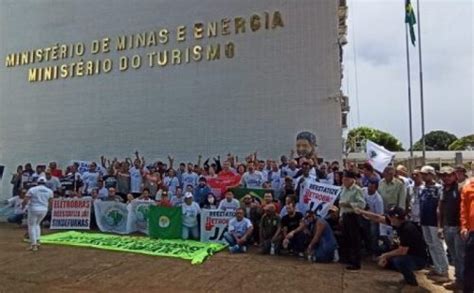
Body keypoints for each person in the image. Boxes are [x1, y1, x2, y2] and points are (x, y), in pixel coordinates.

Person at [355, 207, 427, 287]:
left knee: (399, 261)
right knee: (383, 258)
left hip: (417, 258)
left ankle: (411, 281)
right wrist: (361, 211)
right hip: (405, 253)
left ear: (395, 218)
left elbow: (402, 251)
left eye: (390, 217)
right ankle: (400, 269)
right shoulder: (397, 223)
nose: (388, 218)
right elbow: (378, 217)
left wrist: (385, 255)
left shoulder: (408, 229)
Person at [419, 165, 450, 283]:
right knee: (430, 244)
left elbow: (440, 207)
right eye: (422, 174)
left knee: (438, 245)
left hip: (434, 221)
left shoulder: (439, 188)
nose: (423, 176)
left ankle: (444, 270)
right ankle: (438, 267)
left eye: (425, 174)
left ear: (432, 175)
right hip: (424, 220)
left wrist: (440, 224)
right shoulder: (421, 187)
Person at [437, 166, 465, 290]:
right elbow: (440, 209)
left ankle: (463, 281)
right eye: (443, 176)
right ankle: (459, 279)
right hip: (447, 227)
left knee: (461, 256)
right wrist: (440, 227)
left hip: (459, 228)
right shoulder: (443, 189)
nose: (446, 178)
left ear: (454, 175)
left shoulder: (460, 188)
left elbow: (465, 209)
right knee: (454, 255)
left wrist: (463, 225)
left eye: (449, 175)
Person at [339, 170, 366, 270]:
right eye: (343, 179)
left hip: (353, 216)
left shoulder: (357, 190)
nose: (344, 181)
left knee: (355, 240)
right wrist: (341, 216)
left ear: (351, 180)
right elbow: (341, 203)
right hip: (345, 215)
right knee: (347, 239)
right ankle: (348, 259)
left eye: (346, 179)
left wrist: (349, 204)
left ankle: (356, 262)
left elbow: (362, 204)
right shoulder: (344, 189)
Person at [22, 177, 53, 251]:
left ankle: (33, 244)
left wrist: (23, 206)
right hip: (44, 209)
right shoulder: (49, 191)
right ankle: (38, 240)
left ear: (37, 182)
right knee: (37, 224)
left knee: (31, 226)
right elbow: (51, 202)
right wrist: (48, 209)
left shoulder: (32, 189)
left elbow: (26, 199)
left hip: (34, 209)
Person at [362, 179, 384, 257]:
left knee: (373, 235)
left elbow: (380, 214)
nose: (369, 188)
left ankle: (374, 252)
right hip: (363, 216)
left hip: (373, 219)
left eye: (372, 187)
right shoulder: (363, 190)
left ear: (375, 188)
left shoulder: (378, 199)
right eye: (369, 186)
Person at [460, 177, 474, 293]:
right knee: (469, 265)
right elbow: (464, 208)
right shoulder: (468, 186)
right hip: (472, 232)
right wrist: (464, 226)